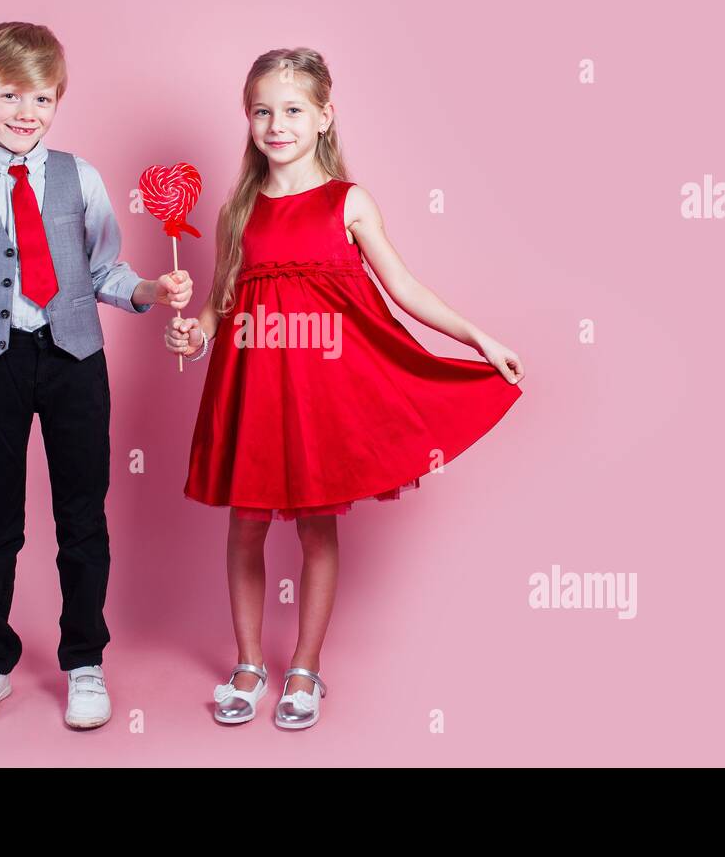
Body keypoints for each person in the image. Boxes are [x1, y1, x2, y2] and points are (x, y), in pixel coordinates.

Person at [165, 48, 524, 729]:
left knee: (315, 528)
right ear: (248, 121)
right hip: (251, 392)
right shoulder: (235, 211)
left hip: (319, 402)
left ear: (325, 117)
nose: (278, 124)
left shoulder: (347, 202)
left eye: (294, 109)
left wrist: (478, 338)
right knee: (245, 527)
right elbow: (217, 304)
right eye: (263, 111)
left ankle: (305, 666)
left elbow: (405, 287)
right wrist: (193, 334)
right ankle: (248, 663)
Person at [0, 21, 191, 730]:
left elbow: (102, 269)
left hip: (74, 362)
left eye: (40, 97)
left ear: (57, 101)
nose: (24, 112)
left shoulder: (80, 177)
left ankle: (84, 660)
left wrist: (151, 291)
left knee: (82, 518)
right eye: (8, 94)